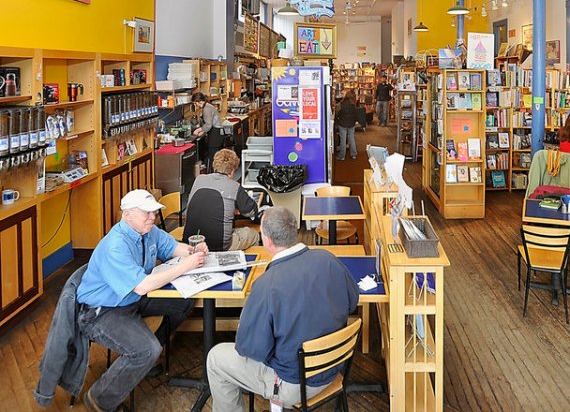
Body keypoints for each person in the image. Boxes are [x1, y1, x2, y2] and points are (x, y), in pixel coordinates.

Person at [207, 206, 359, 411]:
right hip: (333, 368)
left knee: (216, 359)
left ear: (266, 240)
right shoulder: (328, 259)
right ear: (294, 231)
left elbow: (249, 349)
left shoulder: (266, 285)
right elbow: (352, 301)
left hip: (293, 384)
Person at [76, 189, 208, 411]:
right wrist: (187, 265)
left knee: (183, 302)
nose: (152, 217)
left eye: (154, 212)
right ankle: (99, 399)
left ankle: (144, 360)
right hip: (102, 311)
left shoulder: (149, 231)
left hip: (131, 300)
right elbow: (142, 285)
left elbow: (174, 248)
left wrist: (193, 251)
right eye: (146, 213)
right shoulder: (116, 245)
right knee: (146, 349)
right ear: (127, 215)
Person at [183, 149, 260, 251]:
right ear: (232, 171)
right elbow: (251, 211)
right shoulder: (234, 186)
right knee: (254, 235)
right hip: (219, 246)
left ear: (214, 166)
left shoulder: (199, 179)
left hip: (192, 242)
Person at [192, 92, 223, 172]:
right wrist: (202, 133)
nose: (196, 106)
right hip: (215, 133)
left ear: (200, 101)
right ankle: (215, 173)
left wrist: (198, 130)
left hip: (215, 134)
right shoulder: (207, 106)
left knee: (214, 156)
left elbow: (208, 125)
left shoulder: (207, 109)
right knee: (214, 156)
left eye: (195, 103)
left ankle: (214, 175)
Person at [336, 90, 358, 160]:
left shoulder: (341, 103)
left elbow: (337, 113)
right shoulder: (354, 104)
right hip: (351, 123)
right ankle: (353, 154)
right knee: (351, 138)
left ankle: (342, 156)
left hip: (342, 123)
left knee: (343, 140)